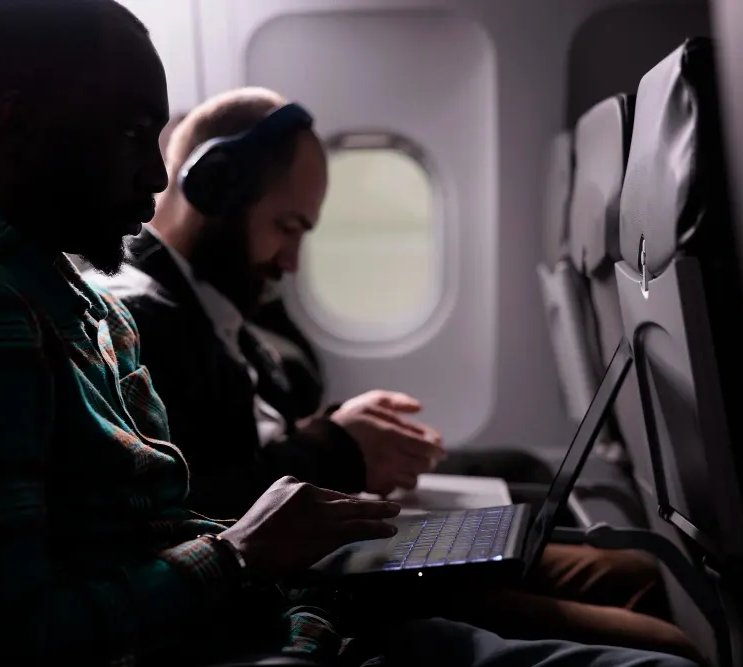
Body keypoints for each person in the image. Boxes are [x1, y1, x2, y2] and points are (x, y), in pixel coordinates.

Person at [0, 2, 699, 666]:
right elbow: (3, 645)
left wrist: (288, 537)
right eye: (136, 135)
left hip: (267, 624)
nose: (156, 174)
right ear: (17, 126)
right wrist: (245, 549)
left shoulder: (67, 297)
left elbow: (136, 539)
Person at [92, 88, 703, 662]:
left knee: (635, 571)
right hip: (315, 583)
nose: (292, 261)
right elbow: (198, 505)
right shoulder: (150, 320)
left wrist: (342, 430)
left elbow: (249, 438)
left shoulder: (215, 308)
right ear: (217, 189)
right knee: (659, 636)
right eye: (286, 228)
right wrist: (338, 449)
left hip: (337, 558)